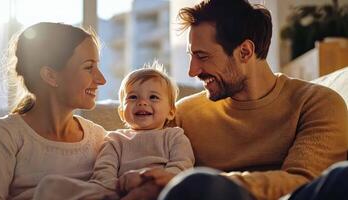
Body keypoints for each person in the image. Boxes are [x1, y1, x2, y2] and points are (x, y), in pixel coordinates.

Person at [121, 0, 348, 200]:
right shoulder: (182, 116)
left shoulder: (317, 103)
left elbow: (303, 181)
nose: (192, 71)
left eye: (202, 56)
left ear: (245, 52)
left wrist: (215, 183)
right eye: (192, 56)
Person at [32, 63, 195, 199]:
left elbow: (182, 166)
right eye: (133, 97)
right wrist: (114, 187)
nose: (142, 102)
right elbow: (104, 170)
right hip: (116, 191)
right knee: (52, 185)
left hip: (161, 189)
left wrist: (151, 179)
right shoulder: (115, 139)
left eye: (153, 97)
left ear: (171, 111)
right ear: (121, 111)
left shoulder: (174, 136)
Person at [0, 22, 107, 199]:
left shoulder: (99, 139)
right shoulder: (4, 136)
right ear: (50, 76)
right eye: (88, 67)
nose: (101, 79)